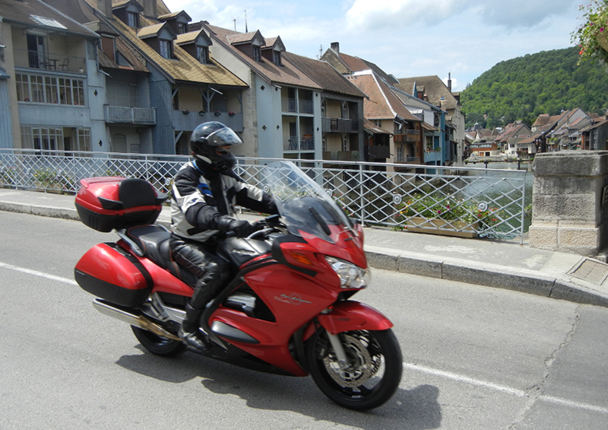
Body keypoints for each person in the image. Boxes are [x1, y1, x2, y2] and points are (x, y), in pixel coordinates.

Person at [170, 121, 278, 353]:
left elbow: (255, 196)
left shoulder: (224, 175)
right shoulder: (186, 178)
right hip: (190, 242)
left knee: (262, 263)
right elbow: (196, 210)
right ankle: (188, 327)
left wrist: (291, 208)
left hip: (221, 239)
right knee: (217, 270)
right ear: (205, 150)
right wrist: (227, 221)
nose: (227, 154)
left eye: (228, 149)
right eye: (222, 150)